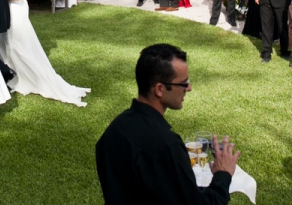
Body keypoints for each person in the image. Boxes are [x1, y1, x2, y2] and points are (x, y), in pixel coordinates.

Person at [95, 44, 240, 205]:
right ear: (159, 89)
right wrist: (223, 174)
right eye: (183, 83)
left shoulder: (114, 129)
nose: (189, 88)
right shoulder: (166, 145)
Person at [0, 0, 91, 106]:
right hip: (23, 8)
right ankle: (17, 72)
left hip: (14, 8)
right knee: (21, 42)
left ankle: (20, 75)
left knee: (13, 43)